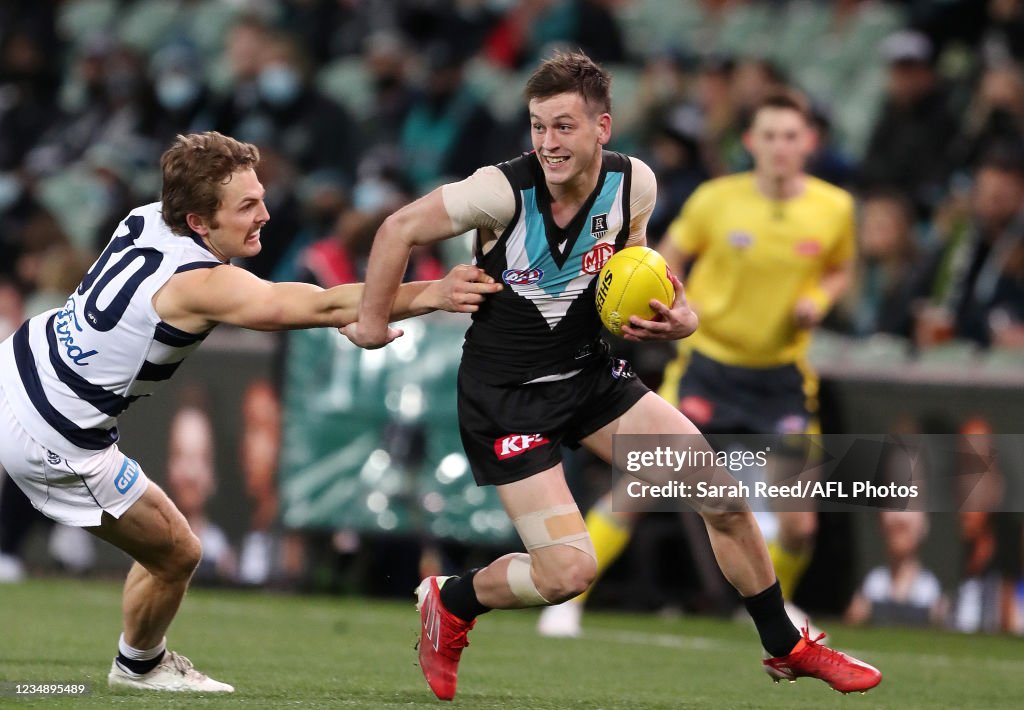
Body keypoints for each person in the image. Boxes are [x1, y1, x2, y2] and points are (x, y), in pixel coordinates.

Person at [347, 52, 881, 700]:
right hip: (507, 399)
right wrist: (374, 321)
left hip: (594, 378)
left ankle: (785, 645)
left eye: (564, 126)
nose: (547, 143)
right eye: (539, 127)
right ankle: (453, 600)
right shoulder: (500, 190)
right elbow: (397, 227)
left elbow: (632, 273)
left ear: (603, 126)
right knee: (567, 573)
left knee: (721, 494)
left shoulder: (636, 186)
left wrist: (677, 317)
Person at [0, 131, 500, 693]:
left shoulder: (146, 216)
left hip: (17, 364)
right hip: (55, 432)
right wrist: (435, 291)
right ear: (197, 221)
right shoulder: (201, 284)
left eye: (260, 196)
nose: (264, 213)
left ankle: (140, 664)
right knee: (177, 553)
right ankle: (139, 668)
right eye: (247, 206)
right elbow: (323, 303)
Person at [540, 89, 856, 639]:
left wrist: (820, 301)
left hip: (780, 376)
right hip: (708, 365)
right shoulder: (715, 200)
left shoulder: (834, 208)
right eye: (770, 135)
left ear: (809, 143)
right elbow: (663, 261)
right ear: (750, 142)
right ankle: (569, 600)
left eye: (791, 136)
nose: (781, 147)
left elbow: (838, 270)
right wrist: (672, 306)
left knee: (802, 522)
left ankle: (766, 609)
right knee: (642, 483)